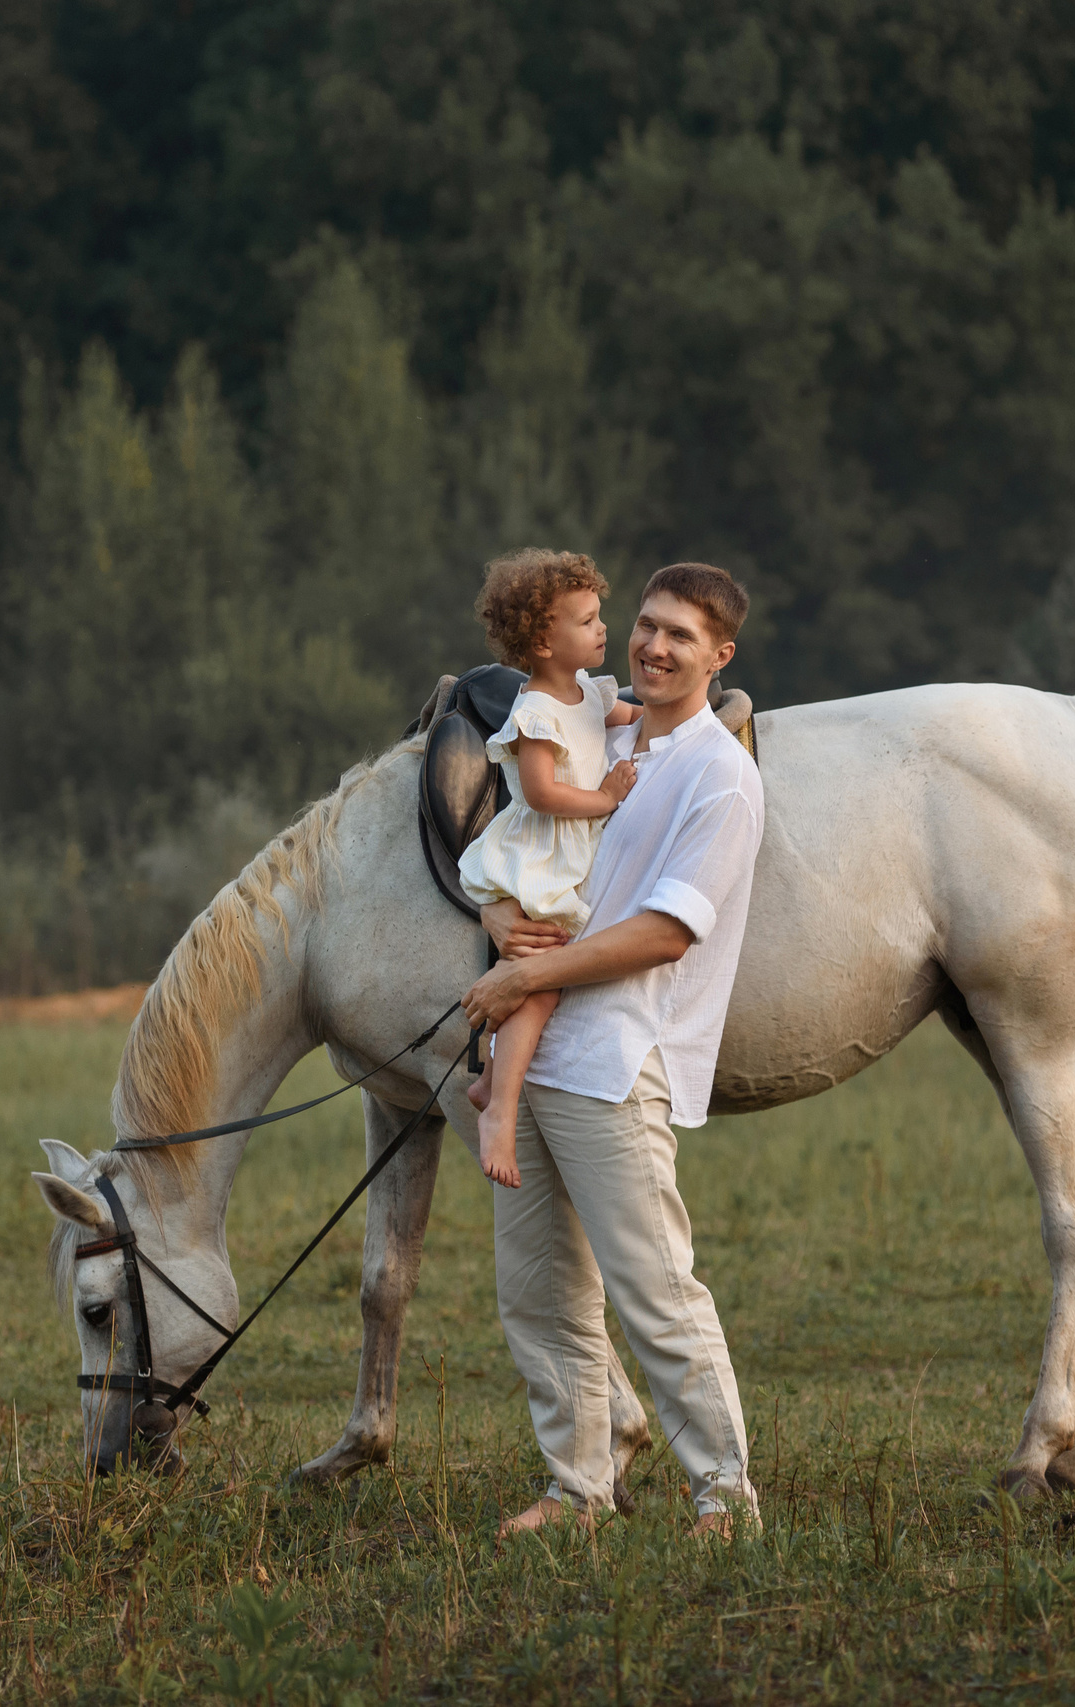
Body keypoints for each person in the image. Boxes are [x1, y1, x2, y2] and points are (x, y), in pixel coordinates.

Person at [459, 561, 766, 1539]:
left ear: (719, 655)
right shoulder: (604, 734)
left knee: (653, 1291)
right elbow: (532, 842)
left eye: (681, 634)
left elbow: (667, 932)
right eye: (646, 625)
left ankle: (724, 1497)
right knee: (540, 1297)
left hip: (616, 1060)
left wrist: (522, 980)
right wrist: (505, 927)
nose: (655, 645)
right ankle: (577, 1488)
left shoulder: (721, 776)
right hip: (536, 1055)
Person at [455, 549, 644, 1189]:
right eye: (587, 621)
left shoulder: (589, 690)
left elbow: (627, 715)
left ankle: (487, 1084)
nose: (602, 630)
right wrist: (607, 800)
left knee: (539, 981)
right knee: (539, 985)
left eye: (599, 616)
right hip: (537, 856)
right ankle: (499, 1112)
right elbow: (539, 793)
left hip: (559, 854)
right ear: (542, 640)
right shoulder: (535, 711)